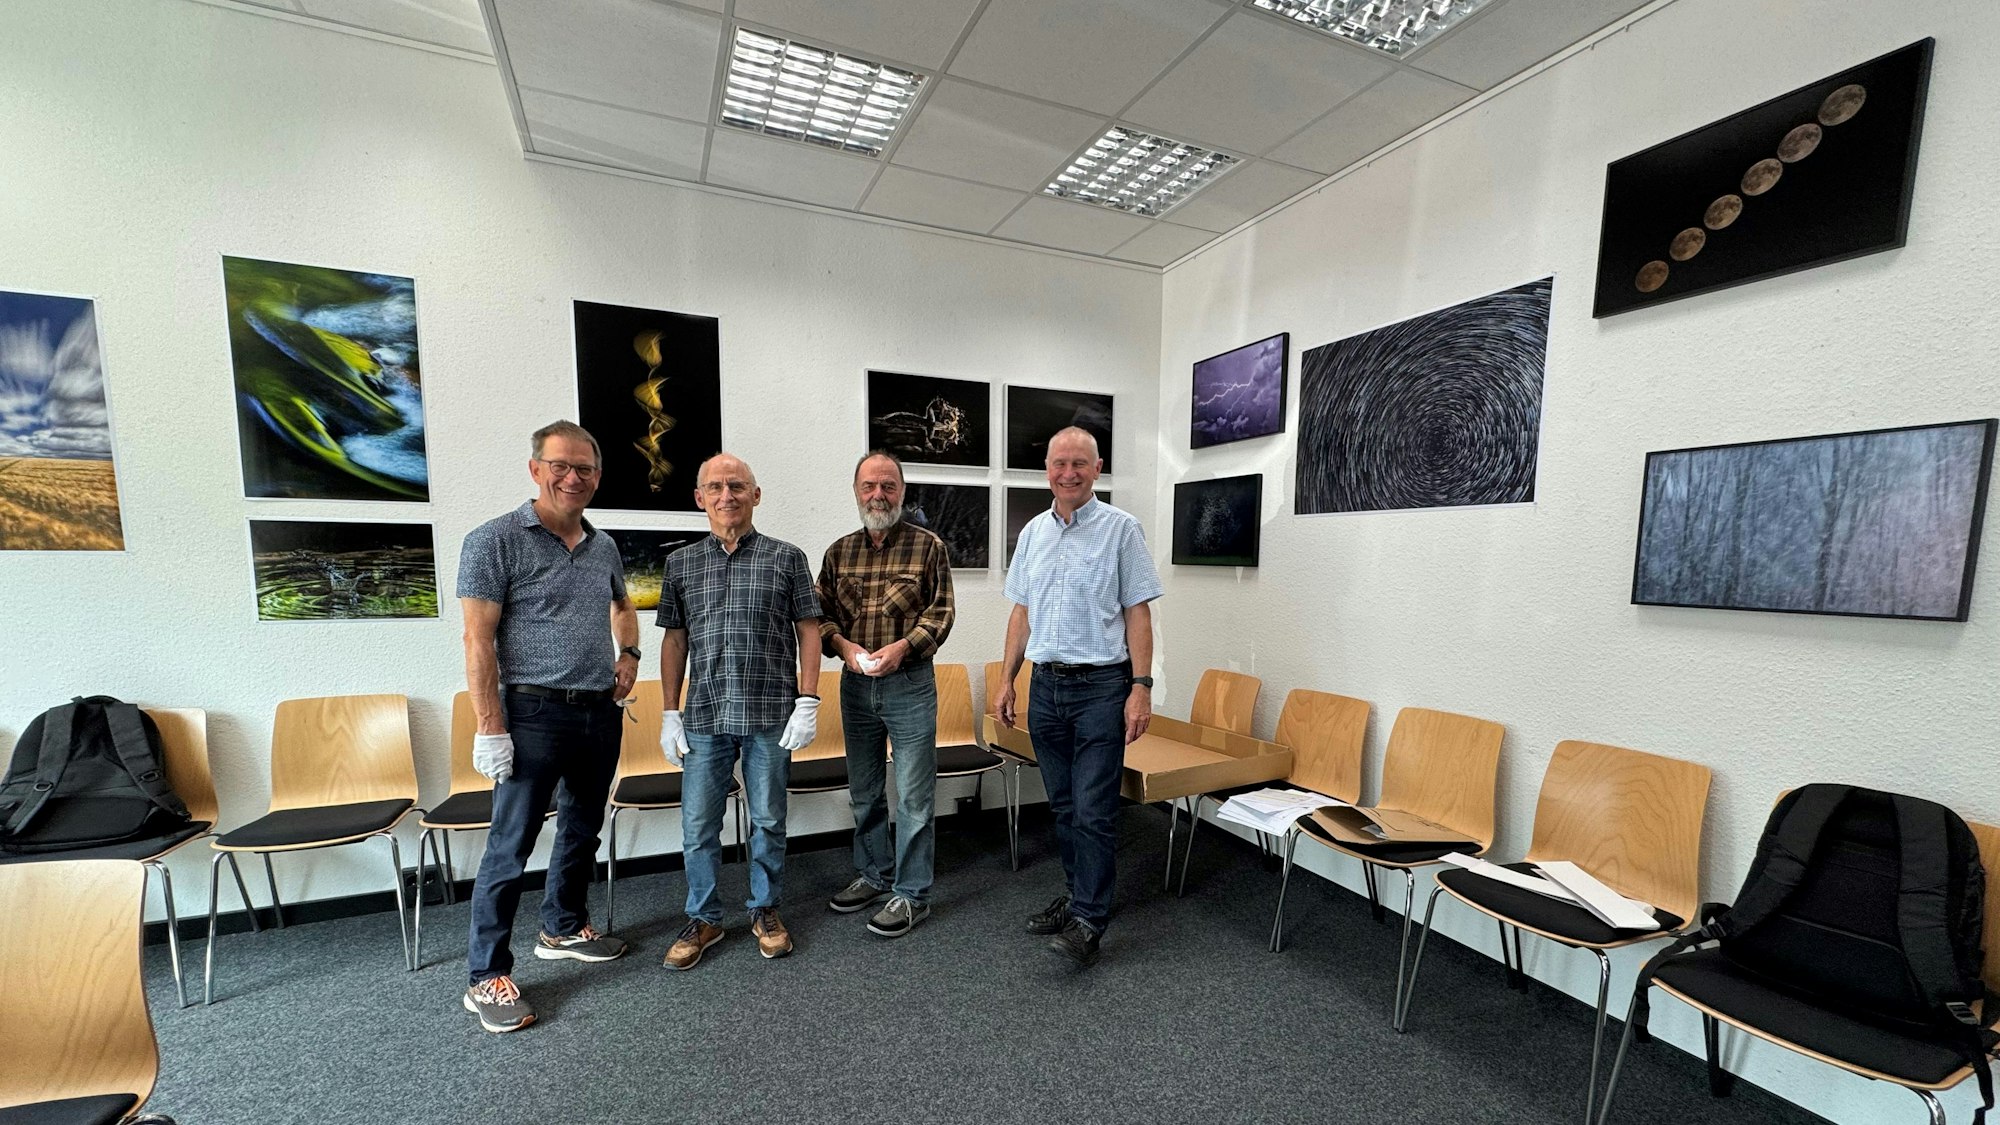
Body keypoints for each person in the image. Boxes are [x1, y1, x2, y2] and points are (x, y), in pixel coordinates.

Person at [457, 420, 638, 1033]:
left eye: (585, 468)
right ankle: (485, 975)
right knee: (510, 846)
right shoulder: (494, 541)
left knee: (583, 831)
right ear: (535, 469)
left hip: (598, 711)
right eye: (560, 465)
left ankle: (562, 927)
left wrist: (629, 655)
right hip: (531, 714)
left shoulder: (604, 546)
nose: (573, 477)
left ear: (597, 476)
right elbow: (477, 640)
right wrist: (490, 726)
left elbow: (623, 605)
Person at [991, 426, 1162, 966]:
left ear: (1097, 468)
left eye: (1079, 464)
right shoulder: (1033, 533)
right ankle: (1077, 895)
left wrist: (1141, 687)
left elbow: (1139, 613)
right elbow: (1021, 613)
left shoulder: (1122, 530)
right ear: (1046, 469)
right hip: (1046, 687)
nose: (1069, 473)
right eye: (1059, 463)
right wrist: (1006, 678)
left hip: (1102, 690)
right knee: (1063, 806)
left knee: (1093, 810)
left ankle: (1090, 918)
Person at [656, 452, 822, 969]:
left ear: (756, 494)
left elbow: (809, 631)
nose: (726, 495)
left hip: (772, 713)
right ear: (699, 498)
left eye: (737, 485)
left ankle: (765, 909)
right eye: (715, 487)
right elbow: (674, 641)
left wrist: (809, 700)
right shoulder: (680, 564)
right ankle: (704, 918)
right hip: (704, 716)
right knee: (698, 825)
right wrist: (668, 712)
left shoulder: (787, 557)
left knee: (769, 819)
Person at [815, 451, 956, 938]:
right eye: (869, 486)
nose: (879, 495)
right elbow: (822, 616)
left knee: (915, 796)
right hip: (856, 685)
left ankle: (913, 894)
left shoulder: (928, 546)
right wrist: (843, 645)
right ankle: (874, 875)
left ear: (902, 491)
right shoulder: (838, 553)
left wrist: (904, 648)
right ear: (856, 491)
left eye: (888, 486)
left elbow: (940, 615)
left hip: (910, 684)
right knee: (865, 792)